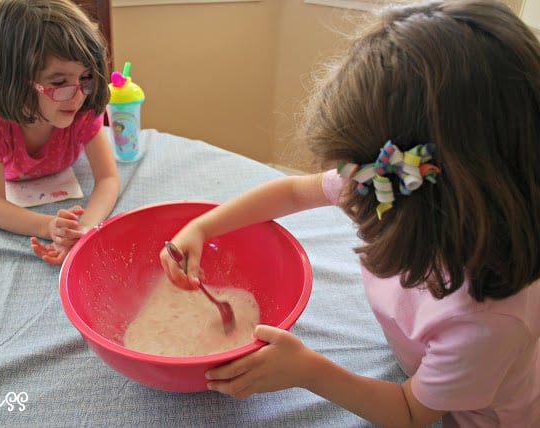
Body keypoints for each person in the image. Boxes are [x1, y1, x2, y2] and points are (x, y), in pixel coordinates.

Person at [160, 1, 540, 426]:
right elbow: (290, 192)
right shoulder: (385, 180)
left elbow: (410, 412)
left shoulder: (485, 321)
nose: (349, 190)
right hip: (428, 369)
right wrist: (203, 226)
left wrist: (308, 370)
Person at [0, 0, 119, 265]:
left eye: (86, 76)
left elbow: (108, 179)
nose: (77, 97)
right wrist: (49, 227)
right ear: (15, 81)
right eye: (59, 82)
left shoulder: (83, 105)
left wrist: (81, 230)